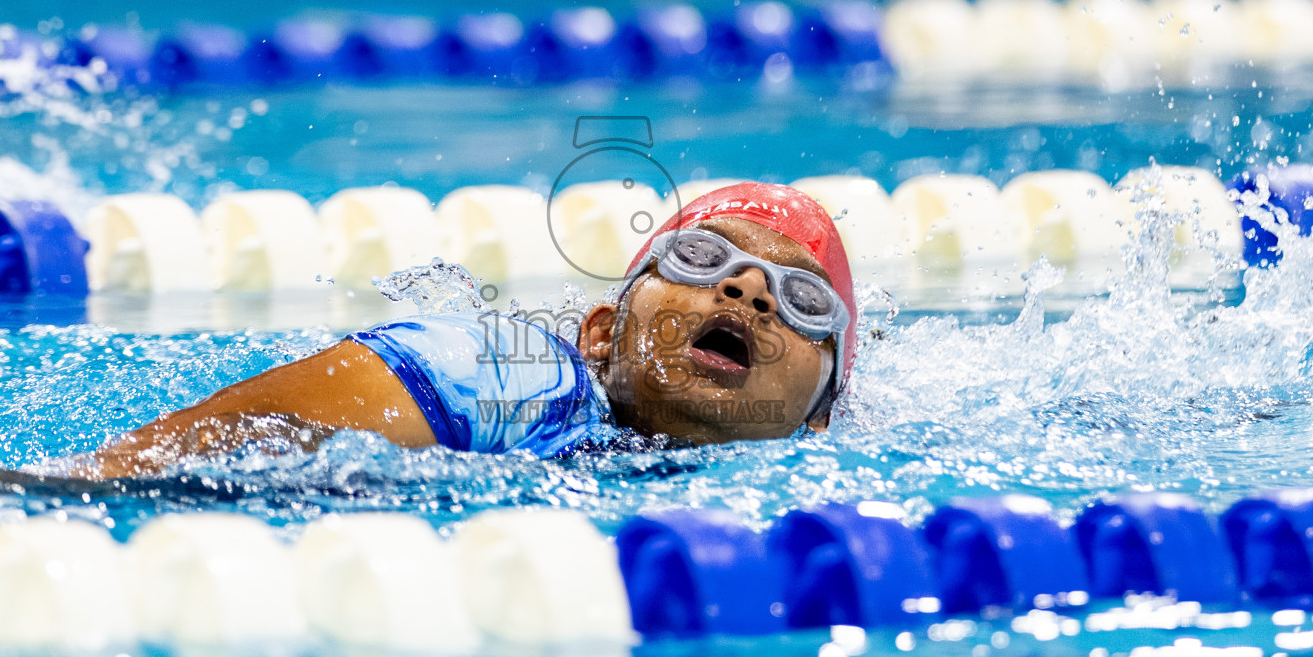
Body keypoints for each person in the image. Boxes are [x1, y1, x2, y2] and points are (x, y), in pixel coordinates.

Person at [83, 182, 857, 478]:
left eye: (805, 303)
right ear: (599, 336)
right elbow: (137, 468)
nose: (751, 289)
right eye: (700, 257)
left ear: (821, 415)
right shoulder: (506, 377)